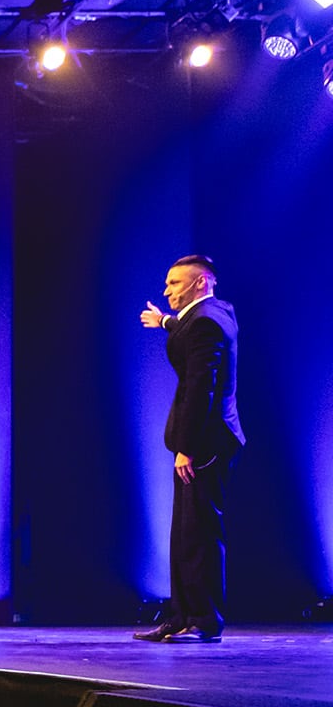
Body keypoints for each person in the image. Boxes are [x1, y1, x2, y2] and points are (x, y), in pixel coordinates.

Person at [136, 254, 244, 643]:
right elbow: (185, 328)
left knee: (199, 532)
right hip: (205, 438)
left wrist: (188, 448)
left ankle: (205, 621)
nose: (166, 291)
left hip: (207, 440)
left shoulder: (206, 323)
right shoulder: (215, 311)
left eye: (174, 284)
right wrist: (163, 321)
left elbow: (203, 389)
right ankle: (184, 616)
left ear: (201, 283)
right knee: (185, 531)